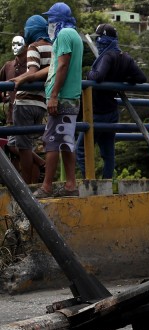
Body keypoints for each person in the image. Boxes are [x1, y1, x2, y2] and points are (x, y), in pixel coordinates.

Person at [14, 3, 82, 198]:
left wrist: (53, 96)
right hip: (71, 97)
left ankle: (46, 187)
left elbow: (62, 66)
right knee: (66, 143)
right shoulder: (74, 35)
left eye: (51, 19)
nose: (49, 23)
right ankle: (70, 185)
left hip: (61, 98)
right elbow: (54, 65)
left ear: (58, 19)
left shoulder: (63, 35)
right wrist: (29, 77)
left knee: (51, 142)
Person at [76, 23, 146, 179]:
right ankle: (107, 183)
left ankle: (90, 182)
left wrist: (89, 74)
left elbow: (98, 76)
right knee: (108, 154)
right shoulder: (124, 57)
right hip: (112, 113)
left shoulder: (108, 56)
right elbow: (141, 78)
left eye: (98, 39)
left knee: (81, 150)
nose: (97, 43)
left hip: (97, 112)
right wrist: (121, 79)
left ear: (103, 40)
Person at [11, 15, 52, 185]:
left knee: (24, 147)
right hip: (41, 102)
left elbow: (32, 71)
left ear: (32, 30)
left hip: (25, 101)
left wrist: (14, 81)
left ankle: (25, 187)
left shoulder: (33, 47)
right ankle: (34, 182)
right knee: (30, 145)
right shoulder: (53, 47)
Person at [0, 35, 27, 170]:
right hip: (12, 113)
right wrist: (3, 96)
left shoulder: (31, 66)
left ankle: (39, 165)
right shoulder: (8, 66)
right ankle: (40, 163)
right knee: (13, 150)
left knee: (25, 147)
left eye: (19, 44)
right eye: (13, 44)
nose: (16, 47)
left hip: (28, 111)